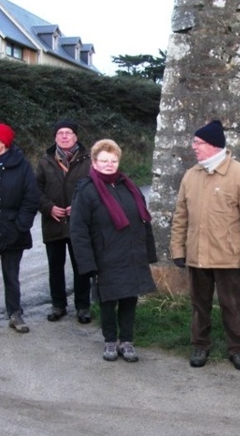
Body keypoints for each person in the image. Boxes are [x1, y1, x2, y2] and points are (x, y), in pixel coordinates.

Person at [170, 120, 240, 371]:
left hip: (229, 256)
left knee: (232, 305)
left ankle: (237, 349)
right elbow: (180, 217)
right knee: (199, 304)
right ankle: (200, 345)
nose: (194, 147)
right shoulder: (191, 175)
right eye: (195, 143)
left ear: (213, 145)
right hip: (197, 254)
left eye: (198, 143)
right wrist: (178, 250)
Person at [71, 139, 157, 363]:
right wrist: (87, 264)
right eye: (104, 160)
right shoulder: (86, 190)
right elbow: (78, 230)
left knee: (130, 298)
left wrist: (148, 253)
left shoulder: (129, 186)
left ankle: (126, 341)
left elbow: (143, 221)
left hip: (131, 254)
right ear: (94, 162)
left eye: (114, 160)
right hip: (105, 257)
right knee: (108, 300)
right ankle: (110, 340)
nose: (109, 164)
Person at [0, 123, 40, 338]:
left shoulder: (22, 166)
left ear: (3, 142)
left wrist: (21, 224)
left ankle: (15, 314)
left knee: (12, 275)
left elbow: (31, 197)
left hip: (14, 229)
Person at [36, 119, 92, 324]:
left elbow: (94, 188)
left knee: (81, 265)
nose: (65, 136)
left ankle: (83, 306)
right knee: (55, 266)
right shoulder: (45, 160)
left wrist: (79, 207)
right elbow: (36, 190)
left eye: (69, 132)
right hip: (53, 222)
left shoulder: (89, 160)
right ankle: (58, 305)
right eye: (60, 133)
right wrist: (48, 207)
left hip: (80, 223)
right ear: (55, 137)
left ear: (76, 136)